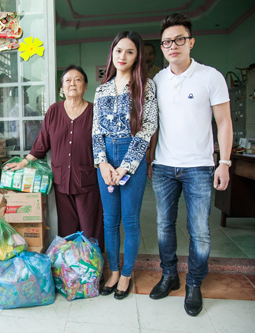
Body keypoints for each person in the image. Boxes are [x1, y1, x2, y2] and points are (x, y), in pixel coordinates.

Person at [147, 13, 232, 316]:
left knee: (199, 231)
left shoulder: (211, 77)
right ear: (163, 46)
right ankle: (169, 275)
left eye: (179, 40)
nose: (173, 46)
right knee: (163, 227)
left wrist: (224, 162)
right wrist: (150, 159)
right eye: (167, 42)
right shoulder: (156, 81)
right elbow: (152, 125)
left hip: (199, 167)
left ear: (191, 42)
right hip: (164, 167)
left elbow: (223, 123)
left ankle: (194, 283)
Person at [5, 65, 104, 252]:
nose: (72, 83)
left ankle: (93, 272)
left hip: (88, 181)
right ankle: (69, 271)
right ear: (62, 88)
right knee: (67, 232)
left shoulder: (94, 112)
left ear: (85, 85)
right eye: (67, 80)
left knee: (91, 231)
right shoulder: (54, 111)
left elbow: (102, 146)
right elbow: (42, 142)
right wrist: (24, 162)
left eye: (77, 80)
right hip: (62, 182)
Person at [93, 31, 158, 300]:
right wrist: (103, 163)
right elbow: (96, 129)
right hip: (107, 154)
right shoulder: (102, 88)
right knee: (110, 221)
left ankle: (128, 273)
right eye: (119, 50)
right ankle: (114, 271)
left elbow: (149, 127)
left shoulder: (146, 86)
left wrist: (127, 166)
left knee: (130, 221)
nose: (123, 56)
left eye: (129, 52)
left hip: (132, 153)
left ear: (137, 56)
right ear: (112, 52)